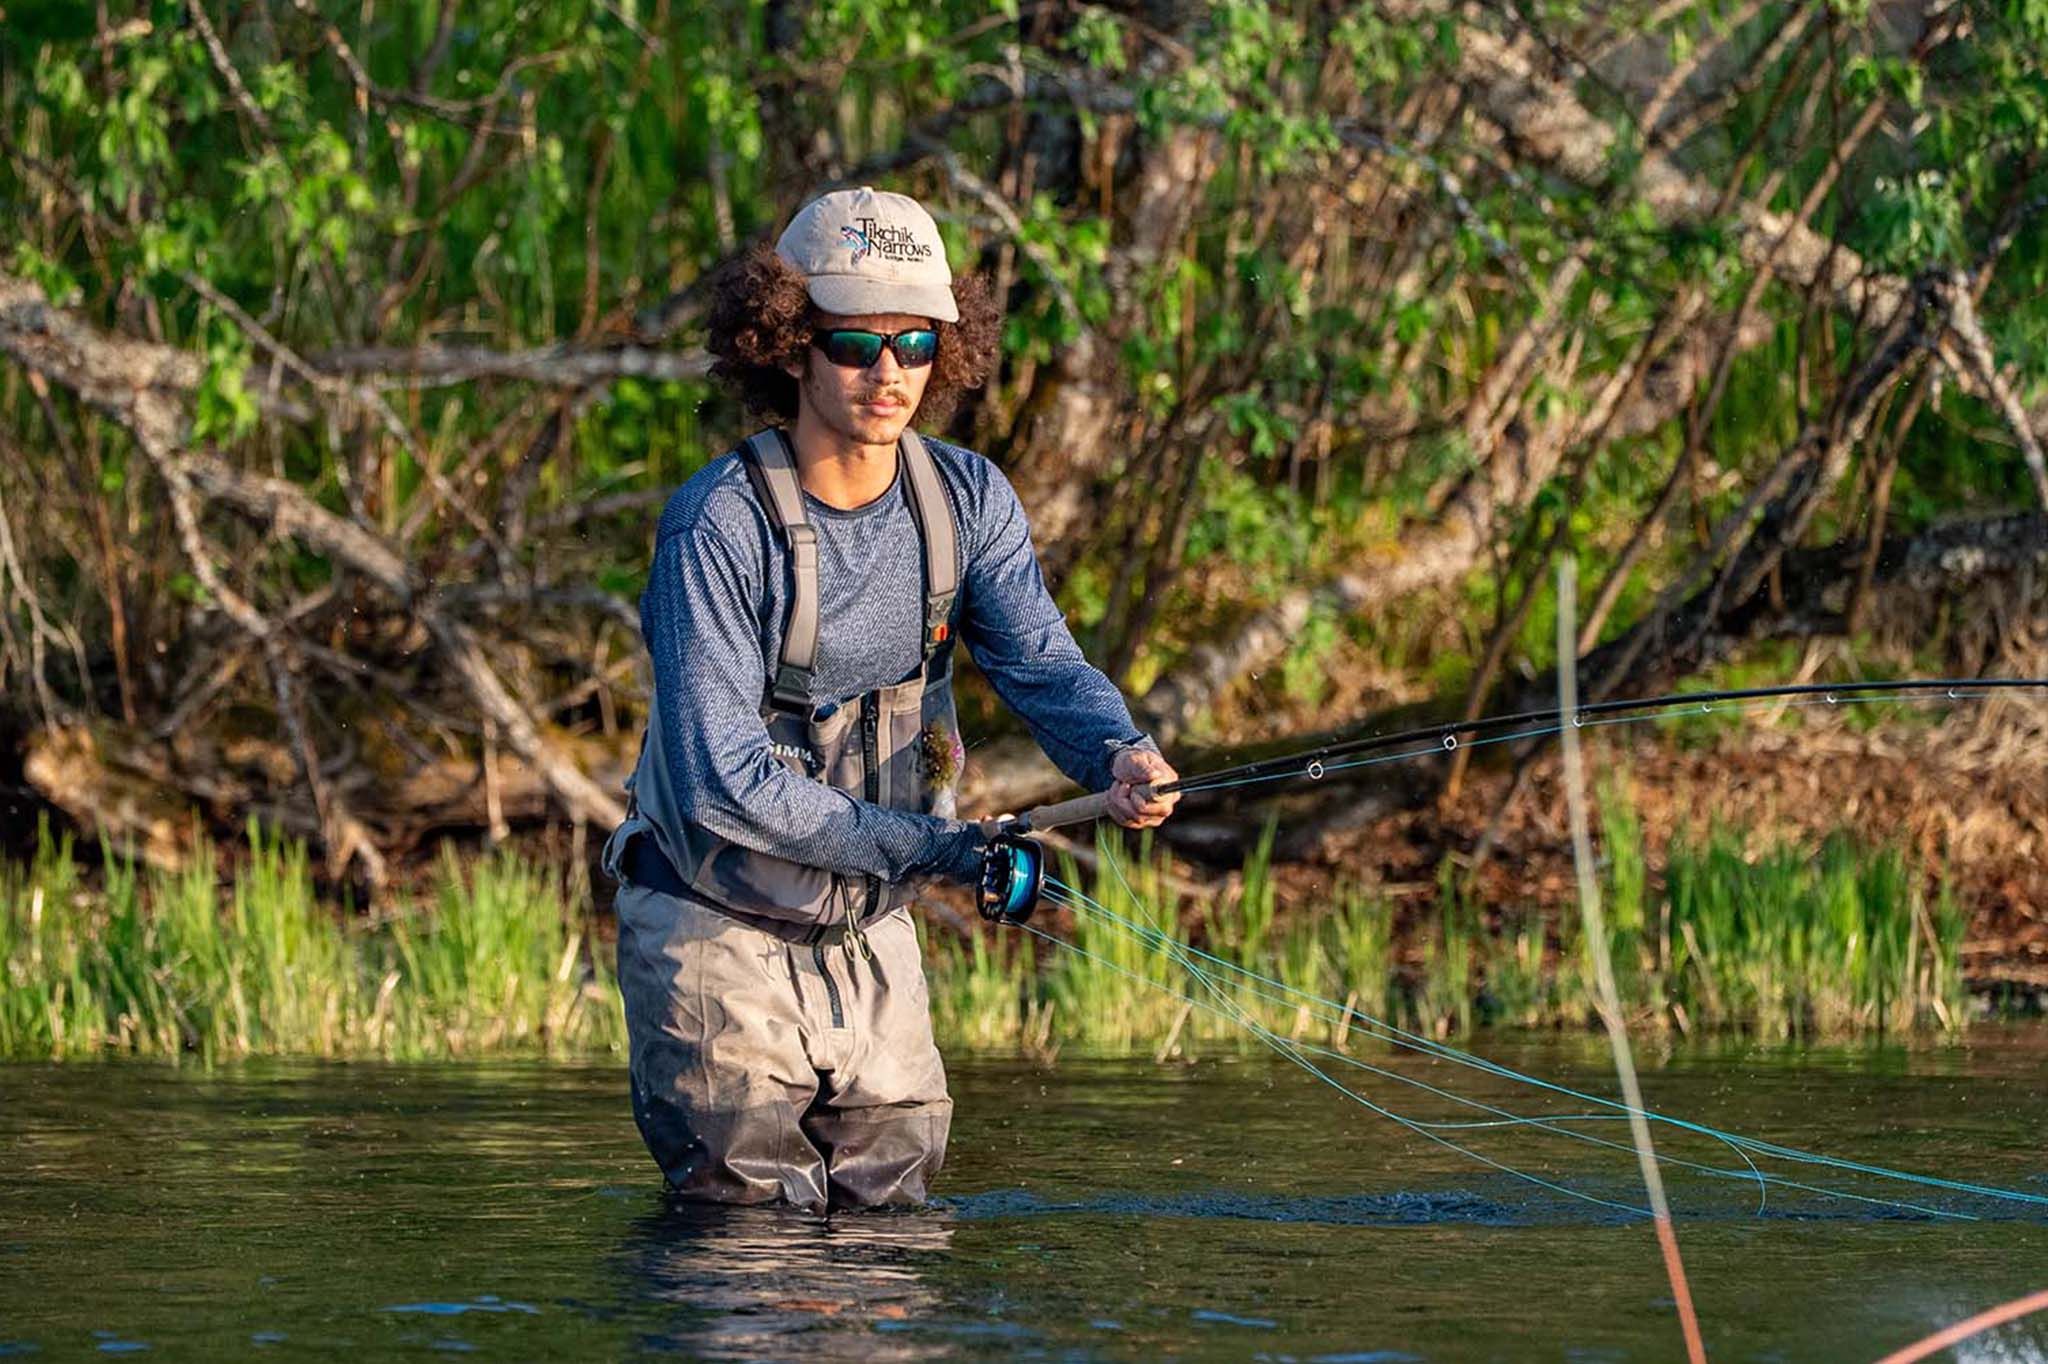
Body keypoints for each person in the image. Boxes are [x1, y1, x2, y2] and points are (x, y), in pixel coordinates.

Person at [601, 186, 1180, 1213]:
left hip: (872, 924)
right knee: (748, 1246)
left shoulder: (967, 500)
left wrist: (1118, 753)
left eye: (915, 341)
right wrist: (944, 851)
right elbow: (720, 784)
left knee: (892, 1247)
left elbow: (1040, 661)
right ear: (786, 342)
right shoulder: (716, 527)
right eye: (855, 344)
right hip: (713, 925)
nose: (889, 372)